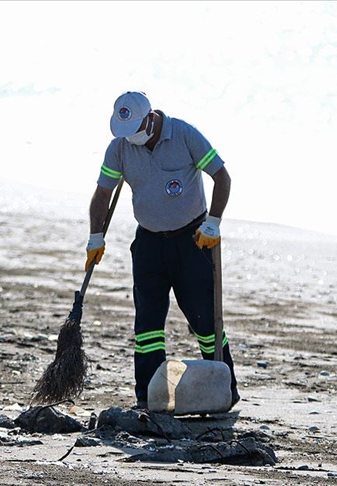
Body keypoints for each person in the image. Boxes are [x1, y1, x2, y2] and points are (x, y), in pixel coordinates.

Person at [86, 91, 239, 411]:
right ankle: (148, 396)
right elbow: (103, 193)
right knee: (148, 326)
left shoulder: (184, 135)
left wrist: (214, 222)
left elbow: (222, 178)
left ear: (150, 118)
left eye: (135, 131)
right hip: (149, 245)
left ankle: (226, 388)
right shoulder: (120, 148)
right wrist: (95, 237)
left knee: (206, 321)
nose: (131, 139)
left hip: (193, 240)